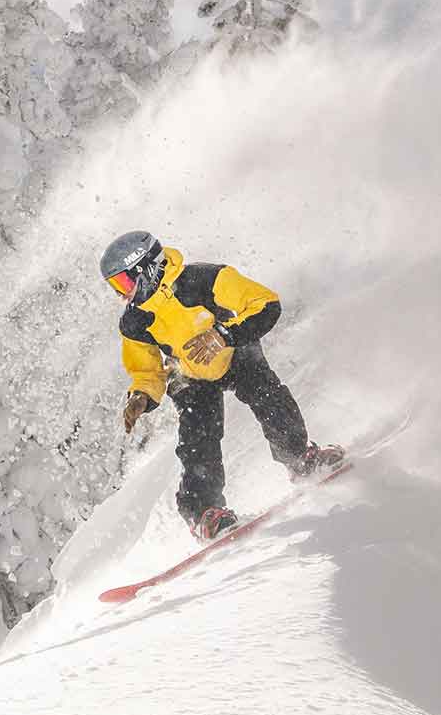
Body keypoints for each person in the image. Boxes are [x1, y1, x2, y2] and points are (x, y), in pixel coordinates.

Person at [100, 229, 342, 540]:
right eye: (114, 286)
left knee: (268, 395)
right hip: (190, 374)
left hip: (233, 350)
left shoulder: (203, 279)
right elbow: (147, 371)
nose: (120, 294)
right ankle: (204, 512)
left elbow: (265, 304)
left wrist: (224, 335)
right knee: (198, 437)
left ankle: (299, 457)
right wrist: (141, 397)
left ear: (145, 269)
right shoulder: (134, 322)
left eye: (123, 283)